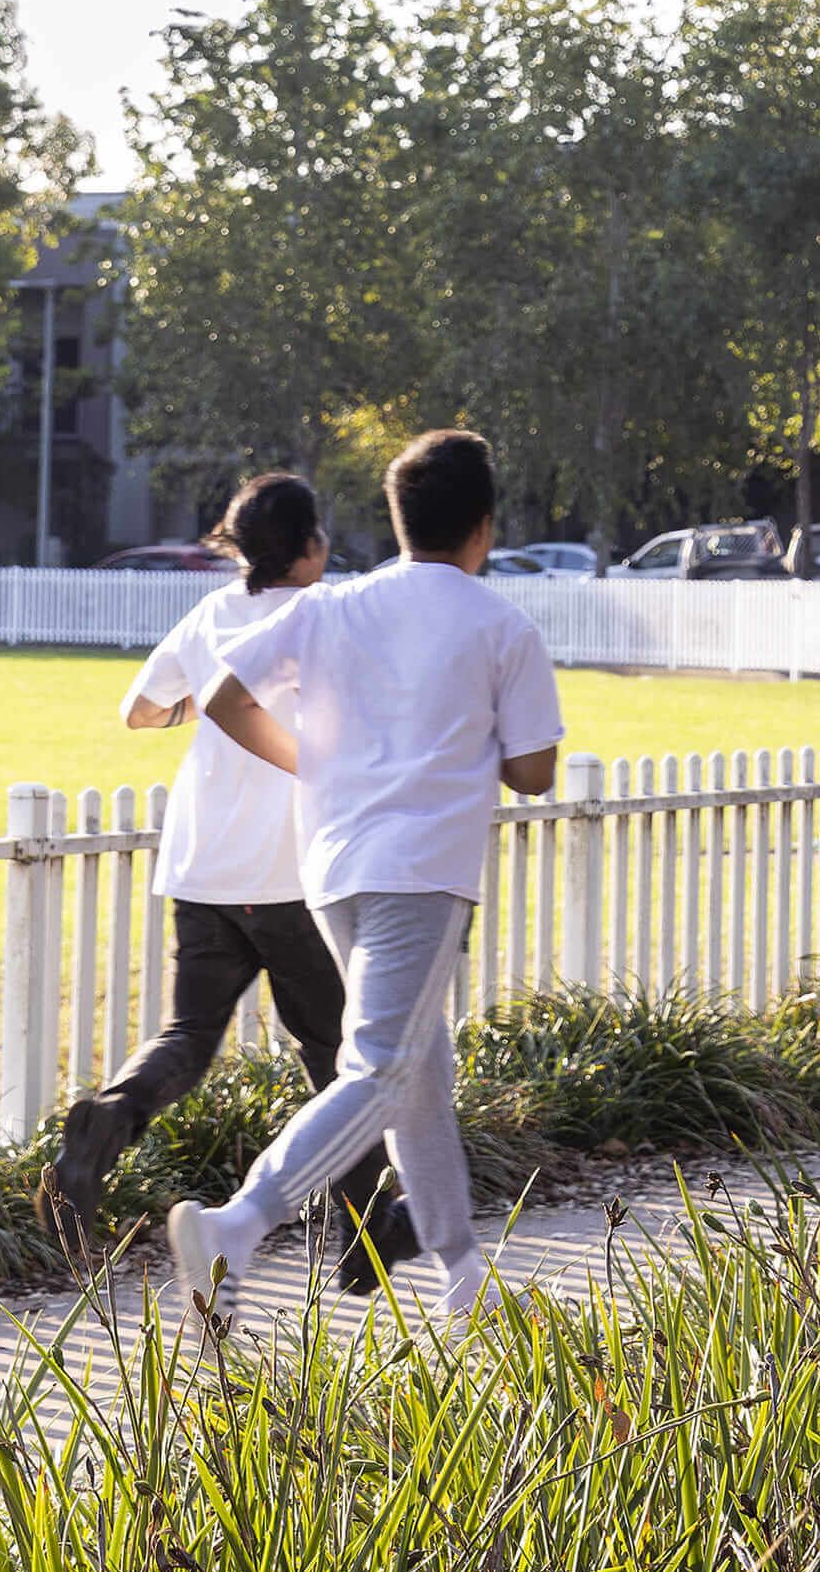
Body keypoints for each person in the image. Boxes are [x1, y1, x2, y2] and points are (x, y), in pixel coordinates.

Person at [169, 429, 562, 1321]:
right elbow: (533, 772)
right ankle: (238, 1225)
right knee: (382, 1067)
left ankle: (463, 1274)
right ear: (485, 527)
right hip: (422, 874)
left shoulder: (332, 608)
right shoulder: (501, 625)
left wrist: (314, 763)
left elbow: (225, 700)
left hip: (334, 868)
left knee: (419, 1067)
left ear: (398, 519)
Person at [40, 473, 419, 1294]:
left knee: (189, 1033)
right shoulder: (329, 616)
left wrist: (197, 709)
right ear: (309, 547)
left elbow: (141, 711)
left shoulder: (211, 614)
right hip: (293, 869)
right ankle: (364, 1240)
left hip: (204, 863)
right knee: (339, 1058)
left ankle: (110, 1117)